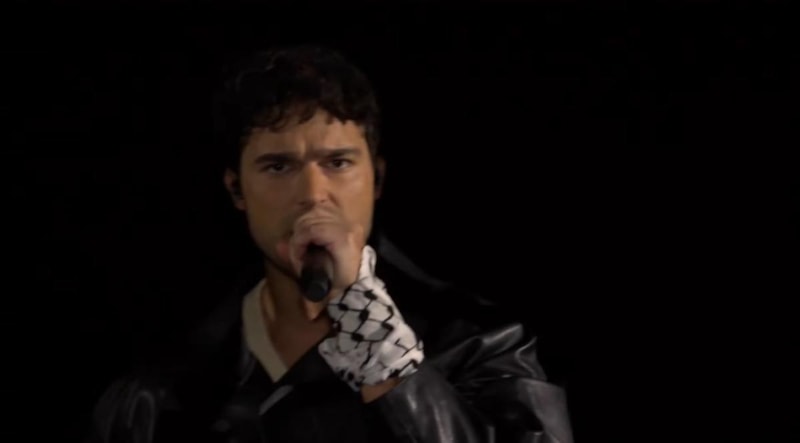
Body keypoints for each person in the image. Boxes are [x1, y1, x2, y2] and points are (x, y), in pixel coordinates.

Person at [85, 45, 573, 443]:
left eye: (337, 163)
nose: (313, 194)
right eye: (279, 166)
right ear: (236, 190)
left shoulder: (480, 345)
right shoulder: (158, 390)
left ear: (376, 178)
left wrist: (383, 354)